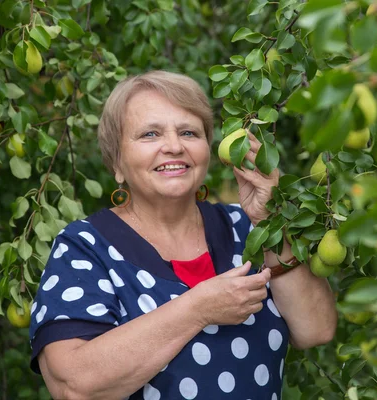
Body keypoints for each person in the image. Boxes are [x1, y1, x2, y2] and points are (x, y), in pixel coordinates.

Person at [28, 70, 337, 399]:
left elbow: (316, 329)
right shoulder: (85, 247)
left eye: (189, 132)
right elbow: (72, 386)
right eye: (150, 134)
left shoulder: (248, 229)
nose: (174, 146)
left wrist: (270, 222)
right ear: (117, 161)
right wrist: (198, 308)